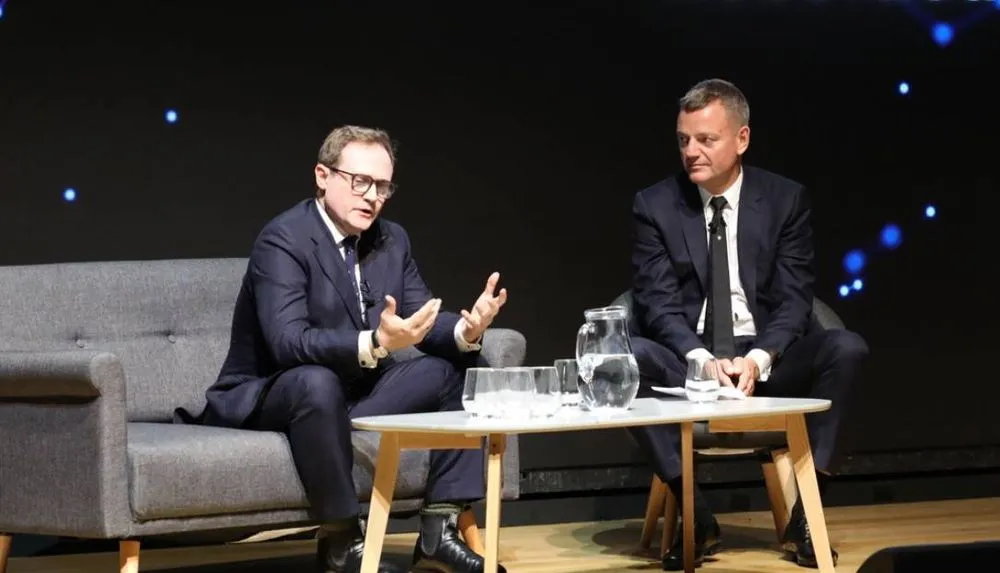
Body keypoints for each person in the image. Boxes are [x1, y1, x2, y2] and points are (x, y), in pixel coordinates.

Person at [200, 125, 508, 573]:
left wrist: (466, 328)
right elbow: (287, 343)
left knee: (460, 366)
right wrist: (376, 341)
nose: (372, 197)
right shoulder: (284, 239)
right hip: (275, 390)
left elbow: (420, 317)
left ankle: (438, 533)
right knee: (316, 382)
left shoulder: (391, 239)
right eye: (359, 181)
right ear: (323, 176)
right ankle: (342, 545)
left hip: (351, 393)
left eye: (383, 186)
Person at [626, 79, 869, 570]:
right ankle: (695, 512)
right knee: (622, 357)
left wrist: (760, 358)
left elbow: (795, 299)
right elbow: (656, 304)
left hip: (767, 359)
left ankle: (807, 515)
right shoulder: (654, 205)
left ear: (741, 139)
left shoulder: (785, 200)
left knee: (846, 347)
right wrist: (700, 358)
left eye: (705, 140)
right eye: (683, 140)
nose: (691, 152)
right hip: (690, 361)